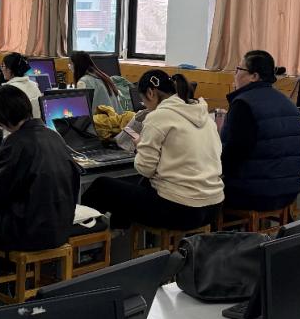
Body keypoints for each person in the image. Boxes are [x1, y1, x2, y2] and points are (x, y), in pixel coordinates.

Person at [0, 85, 78, 313]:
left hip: (26, 232)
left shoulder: (16, 143)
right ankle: (7, 279)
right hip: (59, 228)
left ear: (2, 118)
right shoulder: (54, 136)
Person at [83, 70, 223, 230]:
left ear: (151, 93)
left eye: (143, 101)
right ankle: (118, 230)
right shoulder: (203, 115)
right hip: (213, 206)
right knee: (136, 187)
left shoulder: (158, 117)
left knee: (101, 186)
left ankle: (87, 239)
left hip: (182, 209)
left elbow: (145, 169)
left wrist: (140, 146)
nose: (145, 106)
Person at [220, 50, 300, 211]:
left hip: (254, 193)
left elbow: (235, 152)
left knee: (205, 191)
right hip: (289, 190)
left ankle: (226, 227)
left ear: (254, 76)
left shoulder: (243, 104)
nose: (235, 75)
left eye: (238, 69)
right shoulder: (288, 102)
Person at [0, 53, 43, 119]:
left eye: (3, 66)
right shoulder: (34, 85)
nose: (2, 69)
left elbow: (1, 118)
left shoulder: (8, 90)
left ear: (10, 69)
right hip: (37, 124)